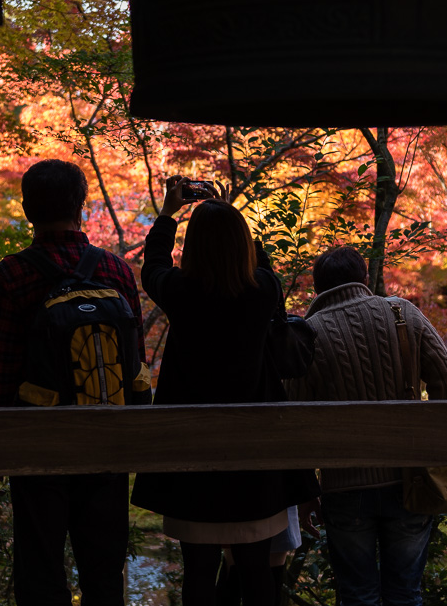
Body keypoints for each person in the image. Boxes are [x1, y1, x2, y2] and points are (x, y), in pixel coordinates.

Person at [131, 176, 320, 606]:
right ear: (244, 244)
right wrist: (232, 214)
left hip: (194, 455)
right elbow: (264, 267)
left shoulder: (181, 292)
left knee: (198, 570)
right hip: (255, 455)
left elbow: (154, 266)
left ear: (193, 247)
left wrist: (167, 213)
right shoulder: (263, 291)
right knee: (256, 569)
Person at [0, 159, 147, 606]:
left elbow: (0, 369)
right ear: (82, 205)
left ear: (27, 207)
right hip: (107, 439)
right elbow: (137, 364)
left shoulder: (12, 273)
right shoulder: (115, 271)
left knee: (40, 570)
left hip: (39, 442)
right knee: (104, 571)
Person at [285, 246, 447, 606]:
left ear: (317, 288)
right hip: (410, 476)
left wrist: (305, 492)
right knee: (405, 592)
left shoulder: (310, 333)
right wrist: (431, 445)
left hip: (344, 486)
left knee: (357, 595)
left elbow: (295, 419)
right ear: (364, 279)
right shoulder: (401, 312)